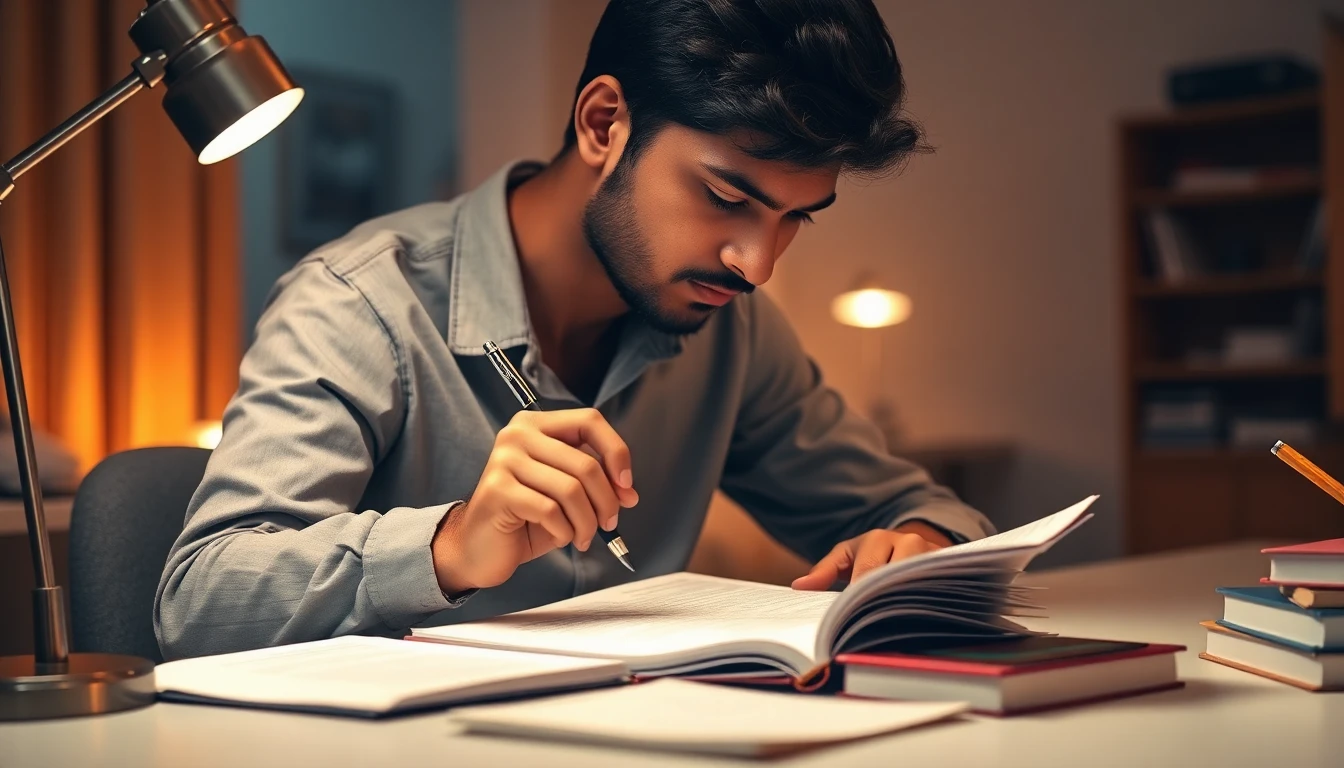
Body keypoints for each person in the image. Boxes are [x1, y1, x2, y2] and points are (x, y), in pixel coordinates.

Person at [154, 0, 996, 660]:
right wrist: (448, 546)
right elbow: (199, 599)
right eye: (728, 199)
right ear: (603, 123)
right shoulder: (360, 302)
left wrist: (915, 545)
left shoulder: (735, 332)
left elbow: (922, 508)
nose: (757, 264)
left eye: (796, 219)